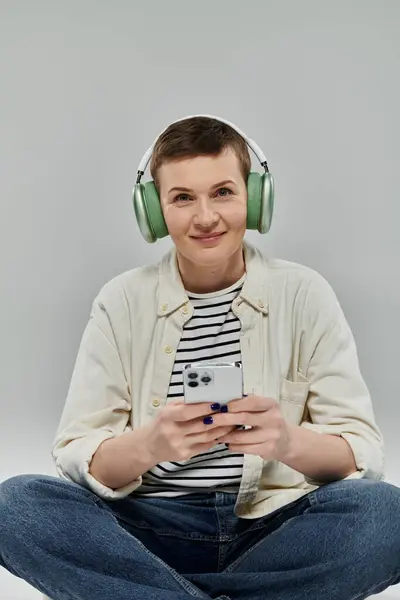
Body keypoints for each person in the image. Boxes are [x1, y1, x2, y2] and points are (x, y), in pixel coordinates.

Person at [1, 115, 399, 600]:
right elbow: (78, 455)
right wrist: (150, 445)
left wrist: (286, 442)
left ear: (254, 199)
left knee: (386, 514)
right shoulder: (121, 300)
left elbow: (363, 455)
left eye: (223, 192)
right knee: (14, 505)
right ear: (154, 211)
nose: (205, 216)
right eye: (183, 198)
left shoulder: (305, 293)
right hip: (148, 530)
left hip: (273, 524)